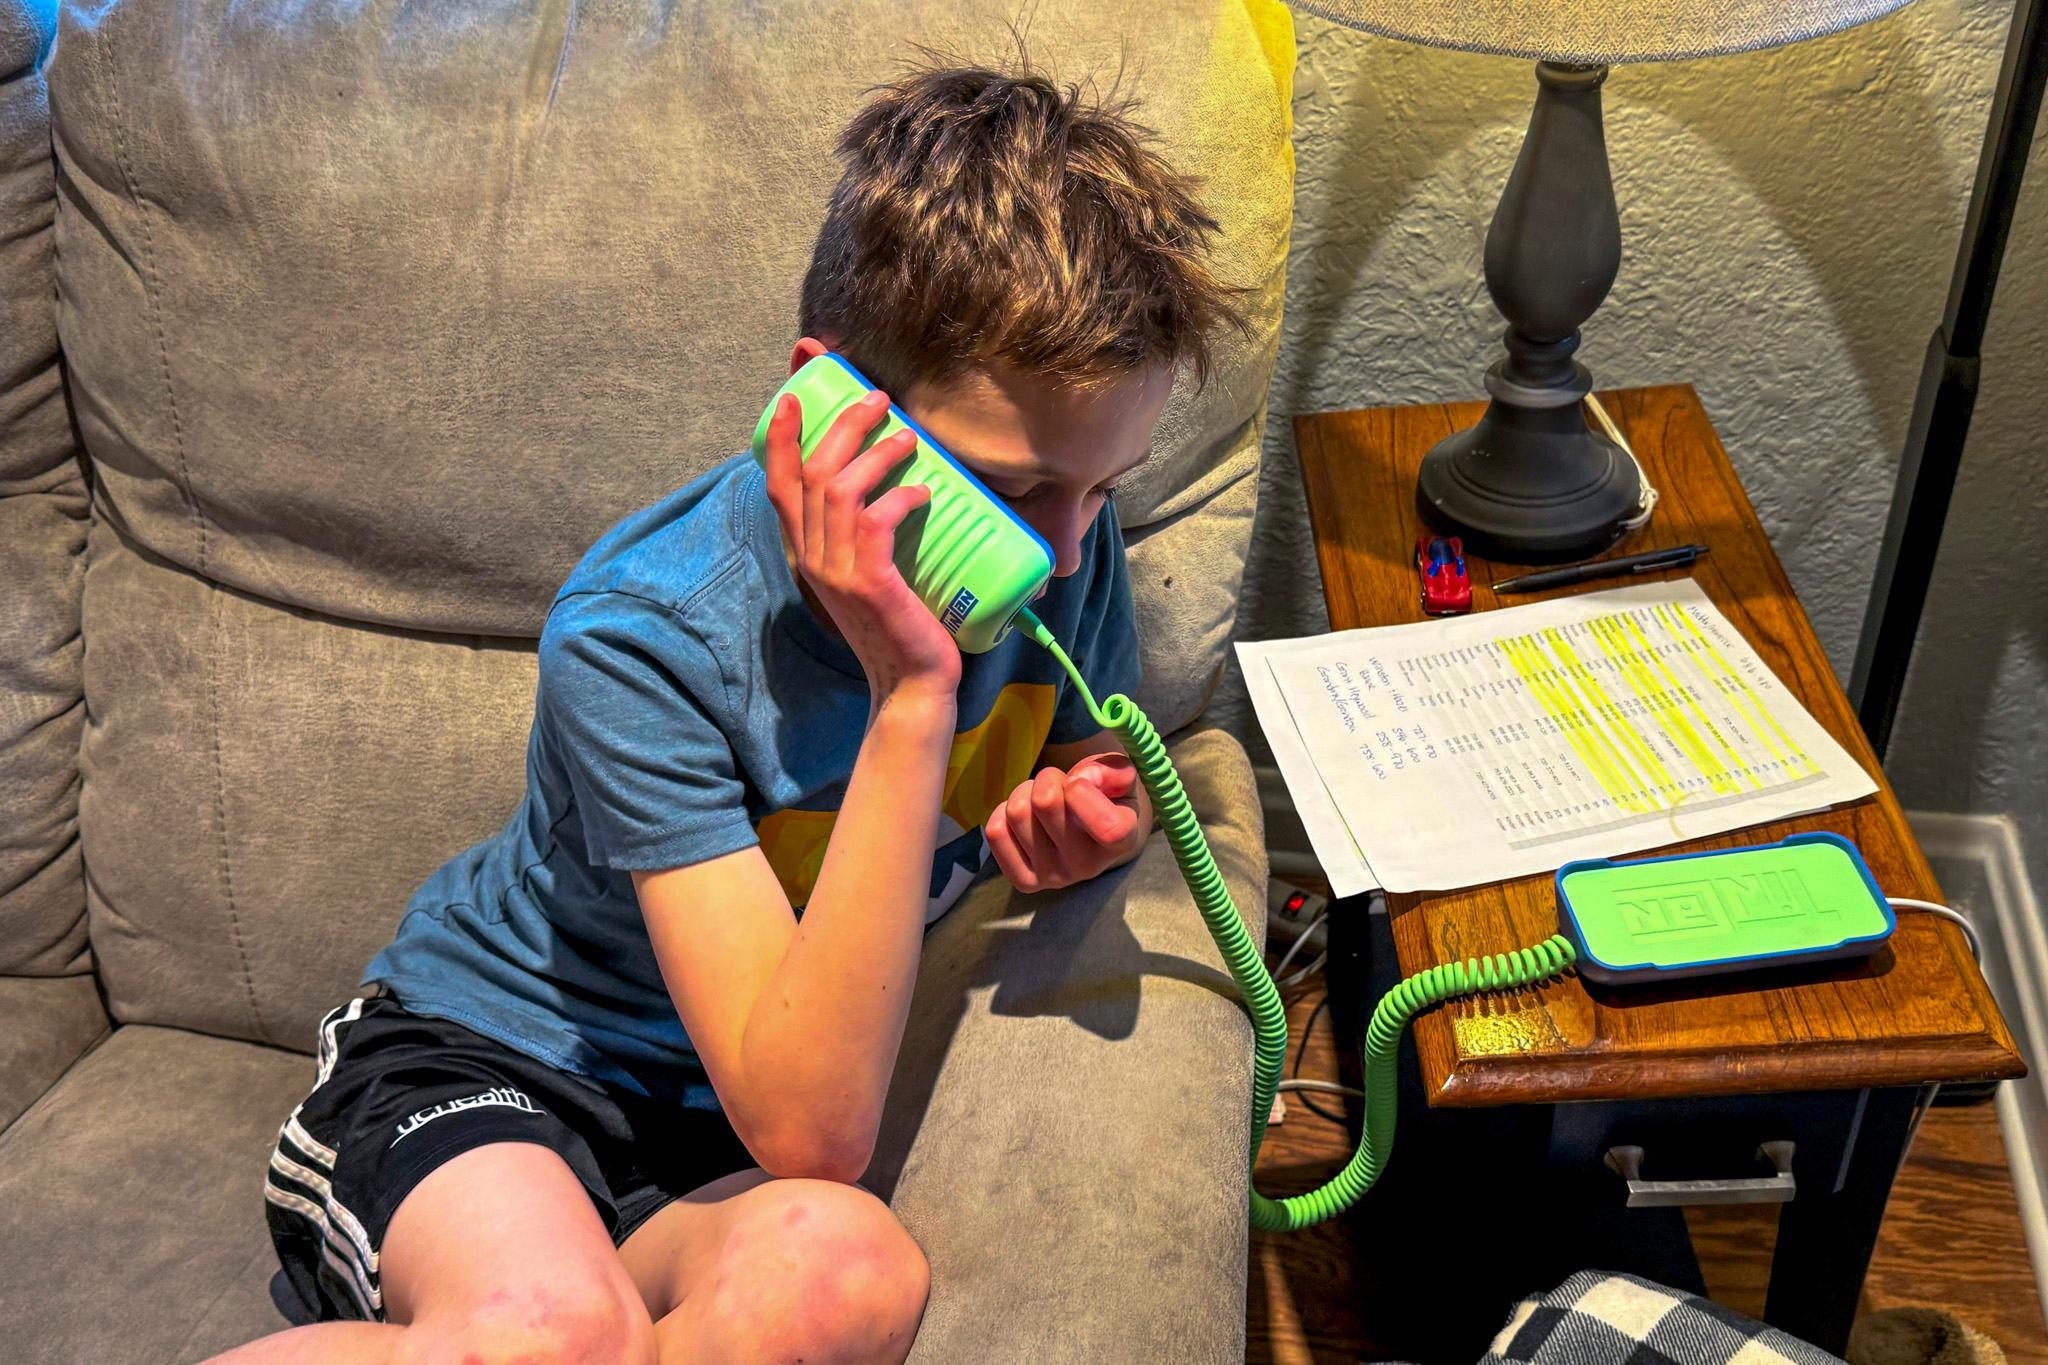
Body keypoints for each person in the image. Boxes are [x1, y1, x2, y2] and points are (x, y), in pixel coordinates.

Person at [216, 60, 1245, 1365]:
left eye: (1103, 488)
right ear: (826, 412)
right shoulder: (641, 637)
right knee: (550, 1327)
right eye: (1013, 488)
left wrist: (1078, 808)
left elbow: (1085, 747)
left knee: (846, 1270)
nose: (1055, 550)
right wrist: (912, 690)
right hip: (498, 1066)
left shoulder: (1064, 551)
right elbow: (815, 1132)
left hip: (709, 1130)